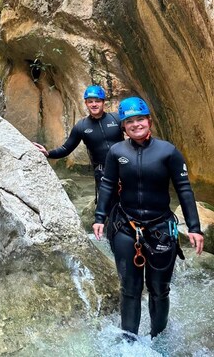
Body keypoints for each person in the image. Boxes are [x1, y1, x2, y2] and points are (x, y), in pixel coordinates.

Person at [93, 96, 204, 340]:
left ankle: (158, 340)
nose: (135, 124)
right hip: (125, 228)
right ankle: (129, 344)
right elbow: (108, 185)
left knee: (159, 290)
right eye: (129, 121)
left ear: (149, 121)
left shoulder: (168, 152)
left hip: (160, 228)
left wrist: (194, 228)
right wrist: (100, 216)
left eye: (140, 119)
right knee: (130, 290)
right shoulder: (116, 152)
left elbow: (184, 189)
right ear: (123, 126)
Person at [33, 85, 124, 200]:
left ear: (103, 102)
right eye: (90, 102)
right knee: (109, 206)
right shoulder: (81, 126)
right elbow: (66, 148)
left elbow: (134, 133)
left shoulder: (116, 118)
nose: (94, 104)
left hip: (124, 165)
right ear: (86, 103)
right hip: (103, 171)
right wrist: (48, 153)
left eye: (97, 101)